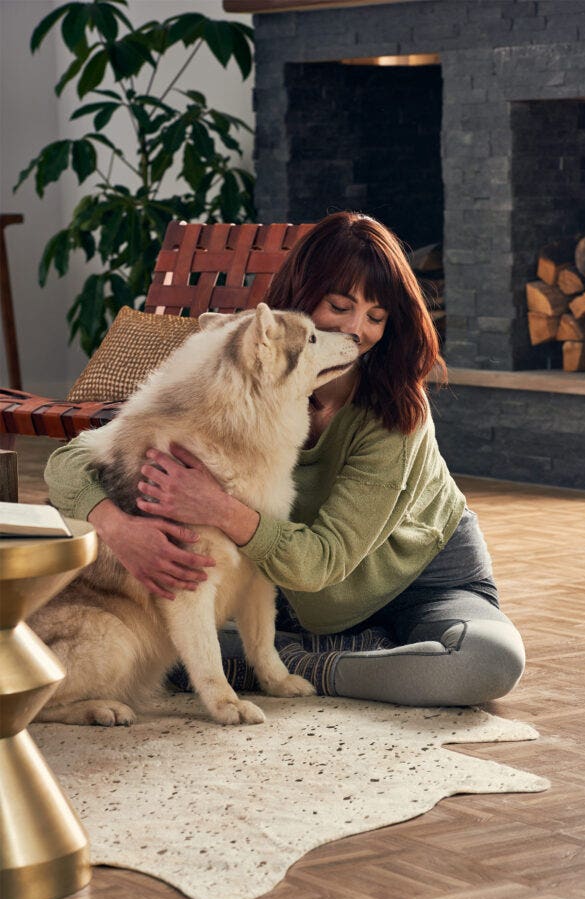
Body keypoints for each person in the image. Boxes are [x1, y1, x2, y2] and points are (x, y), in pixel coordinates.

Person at [45, 211, 525, 707]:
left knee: (486, 662)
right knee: (154, 634)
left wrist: (217, 508)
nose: (357, 331)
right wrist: (119, 530)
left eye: (377, 318)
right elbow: (70, 461)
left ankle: (305, 664)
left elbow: (324, 561)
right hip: (297, 600)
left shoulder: (399, 413)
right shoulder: (252, 359)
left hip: (421, 582)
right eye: (340, 306)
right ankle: (316, 658)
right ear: (302, 293)